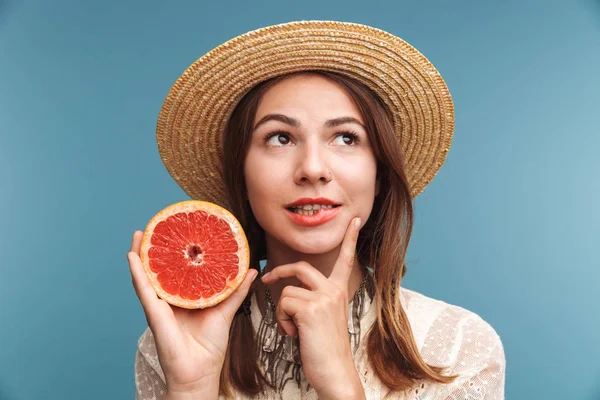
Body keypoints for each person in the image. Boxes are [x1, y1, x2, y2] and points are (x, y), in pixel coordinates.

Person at [128, 21, 506, 400]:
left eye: (346, 137)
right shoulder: (172, 343)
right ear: (241, 174)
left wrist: (341, 385)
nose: (312, 168)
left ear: (379, 173)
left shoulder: (458, 348)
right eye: (280, 137)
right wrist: (191, 388)